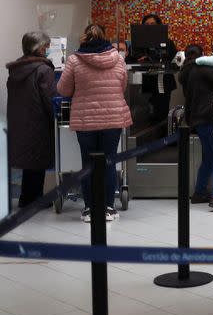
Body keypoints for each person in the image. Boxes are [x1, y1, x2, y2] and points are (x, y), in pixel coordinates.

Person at [57, 24, 132, 222]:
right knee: (109, 162)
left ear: (84, 37)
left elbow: (63, 90)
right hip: (113, 117)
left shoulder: (74, 60)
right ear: (105, 37)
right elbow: (122, 86)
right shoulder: (118, 58)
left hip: (86, 119)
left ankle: (89, 209)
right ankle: (109, 207)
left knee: (88, 164)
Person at [178, 44, 213, 211]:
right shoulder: (202, 69)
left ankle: (200, 192)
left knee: (209, 157)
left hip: (197, 120)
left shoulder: (185, 73)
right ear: (202, 55)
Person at [6, 32, 57, 208]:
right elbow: (50, 99)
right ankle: (36, 200)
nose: (48, 49)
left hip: (19, 123)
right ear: (38, 47)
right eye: (46, 46)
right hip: (39, 123)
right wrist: (57, 118)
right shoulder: (44, 70)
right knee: (38, 162)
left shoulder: (15, 69)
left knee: (29, 162)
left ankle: (26, 198)